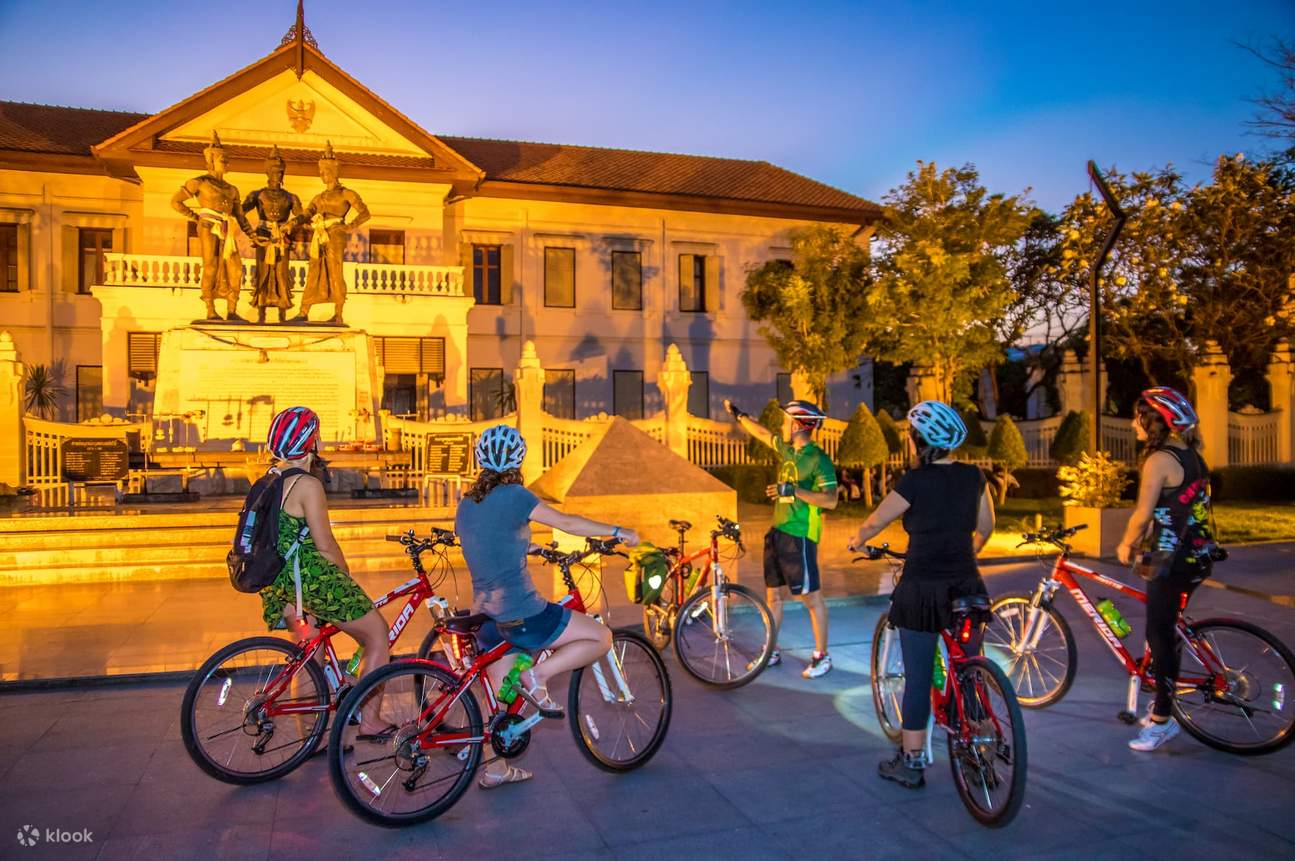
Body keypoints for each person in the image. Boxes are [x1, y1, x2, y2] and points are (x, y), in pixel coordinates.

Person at [454, 424, 639, 788]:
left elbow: (488, 543)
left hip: (485, 615)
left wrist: (528, 547)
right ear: (518, 461)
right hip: (521, 612)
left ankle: (494, 769)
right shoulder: (517, 496)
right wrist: (618, 531)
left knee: (500, 703)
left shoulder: (467, 503)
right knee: (600, 637)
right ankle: (538, 676)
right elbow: (567, 522)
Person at [846, 401, 995, 789]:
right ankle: (981, 752)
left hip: (921, 589)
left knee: (917, 677)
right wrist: (965, 553)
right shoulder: (974, 477)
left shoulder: (914, 481)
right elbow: (986, 526)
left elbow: (876, 520)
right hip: (966, 587)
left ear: (917, 440)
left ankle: (911, 763)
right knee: (970, 668)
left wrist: (857, 540)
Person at [256, 406, 391, 737]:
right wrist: (344, 577)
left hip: (278, 582)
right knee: (376, 634)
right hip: (309, 582)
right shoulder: (307, 485)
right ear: (311, 442)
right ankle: (371, 721)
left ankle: (311, 737)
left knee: (309, 654)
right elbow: (325, 544)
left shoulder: (267, 481)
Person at [1116, 386, 1217, 752]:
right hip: (1197, 553)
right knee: (1165, 627)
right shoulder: (1192, 454)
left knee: (1158, 633)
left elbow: (1143, 516)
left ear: (1156, 420)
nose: (1133, 423)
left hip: (1172, 559)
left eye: (1139, 416)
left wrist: (1126, 545)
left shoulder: (1159, 460)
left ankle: (1162, 719)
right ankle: (1160, 691)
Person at [724, 398, 838, 679]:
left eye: (786, 420)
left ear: (798, 425)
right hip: (778, 531)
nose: (782, 425)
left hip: (800, 535)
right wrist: (739, 415)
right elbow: (762, 433)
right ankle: (771, 650)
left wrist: (794, 490)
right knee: (773, 596)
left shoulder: (819, 459)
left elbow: (832, 500)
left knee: (811, 597)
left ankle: (822, 656)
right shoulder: (788, 451)